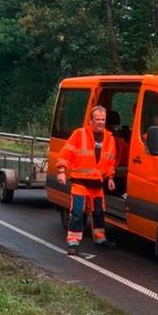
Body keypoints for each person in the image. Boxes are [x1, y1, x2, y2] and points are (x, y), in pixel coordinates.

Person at [57, 106, 117, 255]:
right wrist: (61, 171)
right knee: (77, 213)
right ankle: (73, 242)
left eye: (103, 119)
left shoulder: (110, 139)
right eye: (97, 119)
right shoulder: (79, 134)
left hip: (97, 184)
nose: (100, 122)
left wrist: (110, 177)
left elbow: (110, 160)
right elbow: (66, 153)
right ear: (91, 120)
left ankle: (100, 238)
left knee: (99, 213)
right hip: (80, 183)